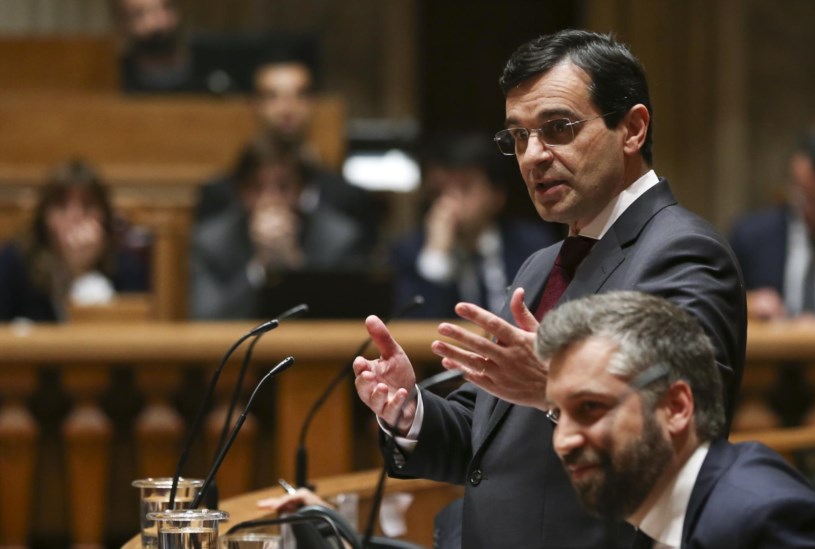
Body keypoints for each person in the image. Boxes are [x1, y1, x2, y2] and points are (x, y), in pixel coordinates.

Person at [352, 29, 747, 548]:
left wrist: (550, 387)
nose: (532, 156)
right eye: (518, 136)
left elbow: (681, 425)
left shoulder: (683, 251)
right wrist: (409, 410)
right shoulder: (541, 265)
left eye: (557, 128)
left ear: (632, 128)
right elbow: (489, 435)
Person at [536, 290, 815, 548]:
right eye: (557, 414)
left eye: (590, 407)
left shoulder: (762, 521)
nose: (563, 441)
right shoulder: (655, 518)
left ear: (675, 407)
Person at [193, 54, 378, 248]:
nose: (287, 109)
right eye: (273, 96)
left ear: (313, 104)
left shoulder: (350, 199)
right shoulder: (219, 195)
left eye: (299, 95)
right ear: (254, 105)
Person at [189, 137, 373, 320]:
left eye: (283, 187)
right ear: (241, 192)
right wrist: (259, 267)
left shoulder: (339, 239)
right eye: (257, 188)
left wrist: (293, 267)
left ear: (302, 190)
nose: (270, 200)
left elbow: (343, 320)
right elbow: (208, 317)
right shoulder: (211, 242)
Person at [390, 131, 563, 318]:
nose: (449, 201)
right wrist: (437, 257)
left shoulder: (532, 244)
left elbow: (553, 316)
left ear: (497, 195)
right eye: (438, 191)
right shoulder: (412, 251)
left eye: (465, 188)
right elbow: (412, 331)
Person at [0, 160, 150, 322]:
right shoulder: (14, 261)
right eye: (62, 206)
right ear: (44, 216)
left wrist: (82, 272)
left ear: (104, 216)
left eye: (88, 206)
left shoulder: (127, 267)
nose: (75, 216)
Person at [730, 129, 815, 321]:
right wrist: (750, 301)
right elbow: (719, 299)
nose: (806, 207)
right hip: (773, 348)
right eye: (800, 192)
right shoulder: (751, 236)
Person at [109, 0, 195, 93]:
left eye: (166, 7)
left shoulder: (208, 61)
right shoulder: (114, 76)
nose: (156, 22)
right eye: (139, 14)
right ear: (123, 25)